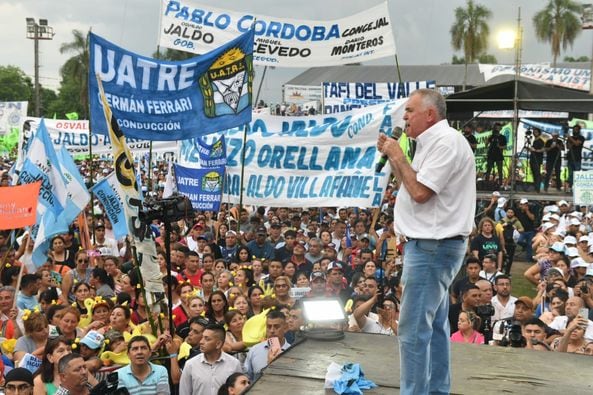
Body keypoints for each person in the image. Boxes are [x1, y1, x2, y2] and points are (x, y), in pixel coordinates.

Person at [377, 89, 475, 394]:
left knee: (413, 329)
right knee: (431, 326)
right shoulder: (428, 143)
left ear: (429, 115)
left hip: (433, 247)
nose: (404, 117)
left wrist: (397, 155)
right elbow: (410, 181)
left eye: (409, 111)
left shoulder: (446, 143)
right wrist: (396, 159)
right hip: (431, 246)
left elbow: (420, 193)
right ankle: (436, 390)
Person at [179, 324, 243, 395]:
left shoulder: (234, 364)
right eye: (202, 337)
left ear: (218, 344)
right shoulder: (190, 365)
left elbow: (239, 392)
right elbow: (184, 392)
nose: (201, 342)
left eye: (207, 339)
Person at [244, 310, 291, 381]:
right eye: (269, 327)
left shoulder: (292, 352)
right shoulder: (254, 350)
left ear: (285, 328)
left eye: (276, 327)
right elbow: (247, 378)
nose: (272, 330)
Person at [566, 124, 585, 191]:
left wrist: (570, 138)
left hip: (577, 158)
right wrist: (571, 141)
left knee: (576, 174)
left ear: (579, 130)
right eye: (574, 129)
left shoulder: (581, 137)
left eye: (576, 129)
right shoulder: (570, 138)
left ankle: (577, 188)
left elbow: (577, 144)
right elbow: (568, 147)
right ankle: (570, 187)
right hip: (570, 157)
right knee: (570, 174)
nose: (575, 130)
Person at [528, 128, 545, 193]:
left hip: (537, 159)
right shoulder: (534, 140)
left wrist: (535, 150)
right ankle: (535, 187)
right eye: (534, 132)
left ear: (539, 133)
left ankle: (537, 188)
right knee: (534, 173)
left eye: (536, 132)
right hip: (532, 158)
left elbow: (543, 149)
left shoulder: (541, 141)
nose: (534, 133)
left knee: (537, 173)